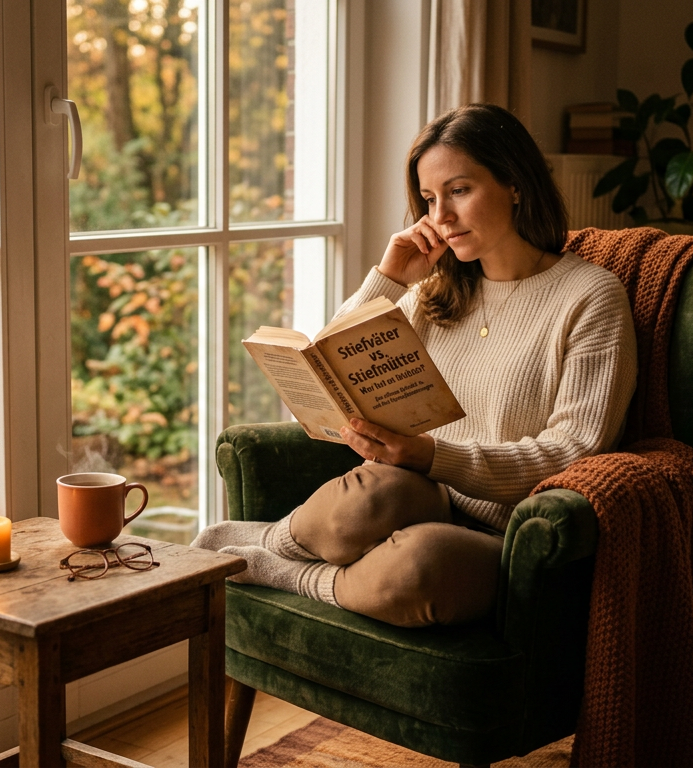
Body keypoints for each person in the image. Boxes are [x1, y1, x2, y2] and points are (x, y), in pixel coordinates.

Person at [193, 103, 638, 627]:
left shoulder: (590, 297)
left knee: (419, 564)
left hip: (510, 533)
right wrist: (389, 277)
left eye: (459, 190)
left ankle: (277, 566)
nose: (440, 217)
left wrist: (433, 455)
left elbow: (576, 451)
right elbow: (331, 366)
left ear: (515, 183)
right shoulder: (437, 292)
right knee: (369, 494)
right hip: (414, 497)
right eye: (429, 199)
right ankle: (265, 540)